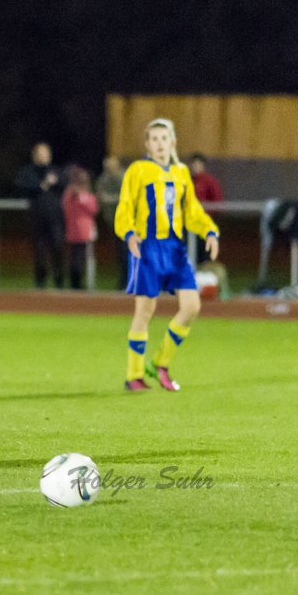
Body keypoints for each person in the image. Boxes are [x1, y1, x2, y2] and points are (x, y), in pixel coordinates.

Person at [115, 119, 219, 392]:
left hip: (174, 249)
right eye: (155, 139)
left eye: (165, 138)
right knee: (145, 310)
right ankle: (134, 375)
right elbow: (125, 206)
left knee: (192, 306)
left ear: (173, 142)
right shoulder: (138, 171)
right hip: (147, 248)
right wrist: (129, 234)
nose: (160, 144)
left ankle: (160, 363)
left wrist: (209, 231)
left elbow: (192, 211)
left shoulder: (182, 172)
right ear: (148, 145)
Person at [14, 142, 64, 288]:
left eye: (45, 153)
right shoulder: (28, 172)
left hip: (55, 219)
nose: (43, 157)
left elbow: (64, 183)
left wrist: (53, 183)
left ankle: (59, 283)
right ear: (35, 156)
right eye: (40, 154)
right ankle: (40, 283)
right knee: (39, 253)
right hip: (36, 219)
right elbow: (22, 186)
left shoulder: (56, 171)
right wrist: (43, 185)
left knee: (58, 249)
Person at [61, 165, 99, 290]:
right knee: (75, 259)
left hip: (84, 231)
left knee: (82, 258)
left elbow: (93, 209)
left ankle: (80, 282)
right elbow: (65, 208)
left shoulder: (87, 195)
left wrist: (81, 198)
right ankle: (75, 283)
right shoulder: (69, 195)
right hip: (74, 231)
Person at [95, 155, 128, 289]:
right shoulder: (104, 179)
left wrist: (109, 198)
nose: (107, 168)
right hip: (113, 221)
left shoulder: (123, 177)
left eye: (110, 165)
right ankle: (123, 281)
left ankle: (128, 281)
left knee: (127, 252)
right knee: (120, 253)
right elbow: (99, 193)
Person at [188, 152, 224, 263]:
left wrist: (207, 215)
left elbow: (217, 201)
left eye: (198, 164)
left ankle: (206, 271)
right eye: (193, 164)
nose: (195, 167)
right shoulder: (187, 181)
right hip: (189, 222)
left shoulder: (209, 181)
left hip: (204, 222)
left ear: (203, 166)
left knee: (205, 248)